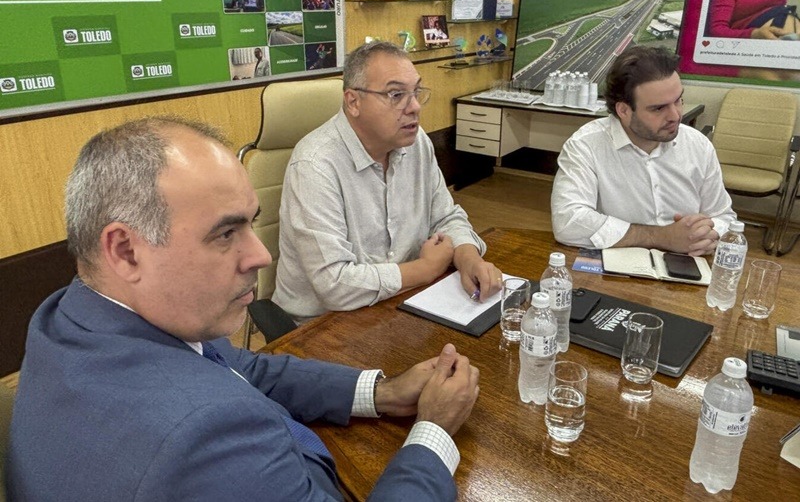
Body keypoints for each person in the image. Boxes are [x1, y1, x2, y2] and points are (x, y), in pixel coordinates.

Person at [7, 116, 480, 500]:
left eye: (252, 224)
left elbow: (237, 365)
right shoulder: (204, 440)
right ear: (126, 251)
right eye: (225, 233)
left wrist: (382, 392)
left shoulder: (75, 312)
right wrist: (432, 432)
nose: (261, 255)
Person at [272, 41, 502, 321]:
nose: (414, 107)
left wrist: (469, 258)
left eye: (416, 92)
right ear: (353, 102)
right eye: (396, 95)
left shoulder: (417, 143)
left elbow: (445, 217)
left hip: (403, 301)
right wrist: (425, 269)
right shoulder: (315, 165)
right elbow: (334, 284)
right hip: (326, 323)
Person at [551, 46, 736, 257]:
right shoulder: (586, 145)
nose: (675, 116)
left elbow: (724, 217)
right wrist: (661, 237)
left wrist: (705, 234)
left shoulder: (697, 145)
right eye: (658, 108)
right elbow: (568, 222)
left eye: (678, 100)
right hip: (615, 262)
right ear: (624, 110)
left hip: (688, 261)